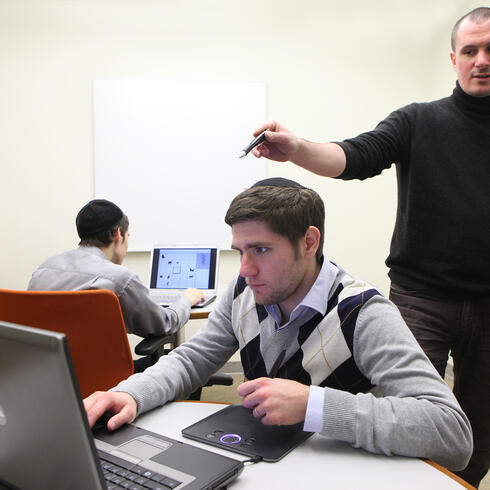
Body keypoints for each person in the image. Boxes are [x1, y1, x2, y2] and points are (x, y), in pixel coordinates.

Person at [249, 8, 489, 487]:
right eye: (470, 50)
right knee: (406, 420)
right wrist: (297, 149)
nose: (481, 60)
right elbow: (355, 156)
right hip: (423, 300)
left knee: (478, 431)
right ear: (454, 59)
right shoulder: (419, 121)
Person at [84, 178, 472, 472]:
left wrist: (314, 405)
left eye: (261, 250)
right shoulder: (243, 293)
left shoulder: (363, 313)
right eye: (241, 251)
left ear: (309, 242)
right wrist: (131, 394)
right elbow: (189, 362)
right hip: (268, 467)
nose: (245, 269)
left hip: (342, 475)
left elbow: (452, 432)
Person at [28, 199, 204, 341]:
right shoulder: (120, 279)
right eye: (128, 237)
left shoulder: (44, 269)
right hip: (105, 372)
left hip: (48, 369)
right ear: (118, 234)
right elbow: (163, 324)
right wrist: (186, 300)